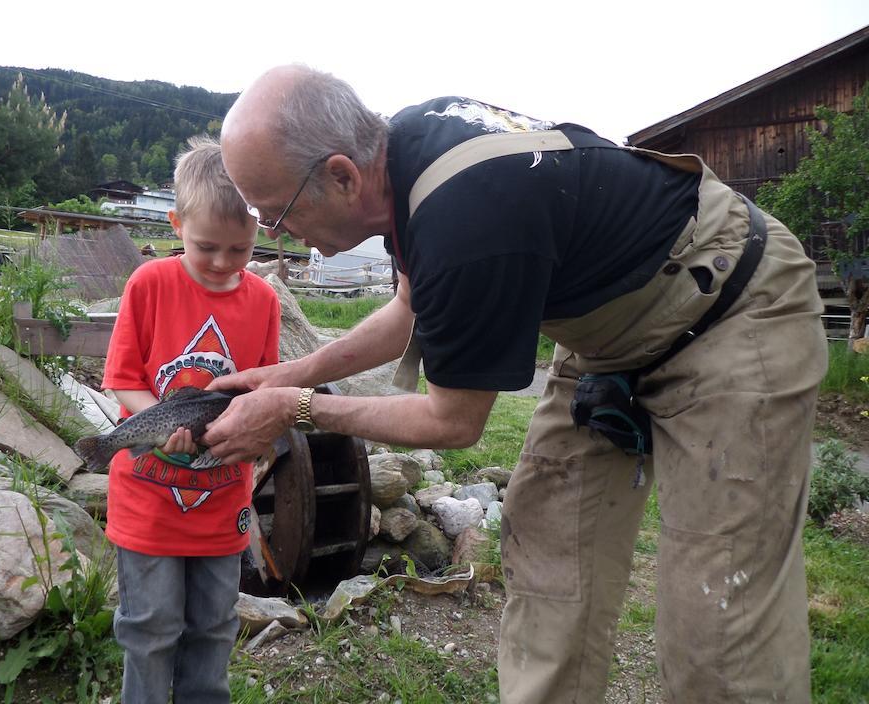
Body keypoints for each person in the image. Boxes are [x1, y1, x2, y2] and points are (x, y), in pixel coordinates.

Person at [201, 65, 827, 704]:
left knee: (717, 609)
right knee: (548, 550)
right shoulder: (406, 161)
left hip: (727, 305)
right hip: (608, 340)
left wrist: (298, 409)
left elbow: (453, 423)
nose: (277, 233)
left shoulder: (465, 217)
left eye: (277, 212)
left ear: (341, 174)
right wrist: (289, 373)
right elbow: (405, 312)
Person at [100, 135, 280, 704]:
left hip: (225, 503)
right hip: (148, 505)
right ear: (176, 224)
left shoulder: (265, 302)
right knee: (149, 632)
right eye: (208, 247)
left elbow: (262, 390)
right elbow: (123, 379)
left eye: (240, 250)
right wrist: (158, 424)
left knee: (214, 627)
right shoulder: (148, 284)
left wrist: (262, 436)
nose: (224, 263)